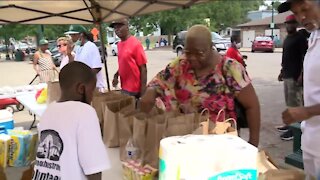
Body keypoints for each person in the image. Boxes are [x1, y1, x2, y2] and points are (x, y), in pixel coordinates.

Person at [139, 25, 261, 147]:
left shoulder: (230, 69)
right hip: (187, 140)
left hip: (221, 144)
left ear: (211, 47)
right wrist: (151, 91)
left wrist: (253, 144)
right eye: (188, 52)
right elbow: (159, 81)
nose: (192, 58)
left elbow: (252, 106)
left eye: (199, 53)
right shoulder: (181, 64)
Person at [32, 61, 111, 180]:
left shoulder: (48, 111)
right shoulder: (85, 111)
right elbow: (94, 169)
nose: (91, 97)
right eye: (91, 91)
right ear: (81, 88)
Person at [279, 0, 320, 178]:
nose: (301, 17)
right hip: (312, 141)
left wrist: (306, 111)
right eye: (296, 13)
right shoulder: (314, 36)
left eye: (305, 9)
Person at [277, 14, 308, 141]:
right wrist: (281, 71)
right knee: (290, 103)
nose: (290, 25)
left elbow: (305, 57)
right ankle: (289, 124)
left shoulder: (300, 38)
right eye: (288, 23)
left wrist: (302, 74)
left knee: (296, 104)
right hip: (287, 75)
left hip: (296, 76)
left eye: (292, 23)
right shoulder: (287, 38)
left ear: (296, 24)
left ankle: (295, 130)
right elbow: (286, 58)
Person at [110, 19, 147, 98]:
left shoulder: (135, 44)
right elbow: (124, 63)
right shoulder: (119, 44)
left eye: (119, 26)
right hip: (124, 87)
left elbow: (143, 68)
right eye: (115, 28)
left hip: (134, 90)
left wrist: (143, 91)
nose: (117, 30)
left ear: (127, 27)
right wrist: (116, 75)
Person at [66, 25, 107, 92]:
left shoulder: (91, 46)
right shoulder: (79, 48)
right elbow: (73, 66)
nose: (71, 38)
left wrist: (82, 79)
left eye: (73, 35)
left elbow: (97, 68)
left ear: (81, 35)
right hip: (85, 87)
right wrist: (69, 54)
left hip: (95, 87)